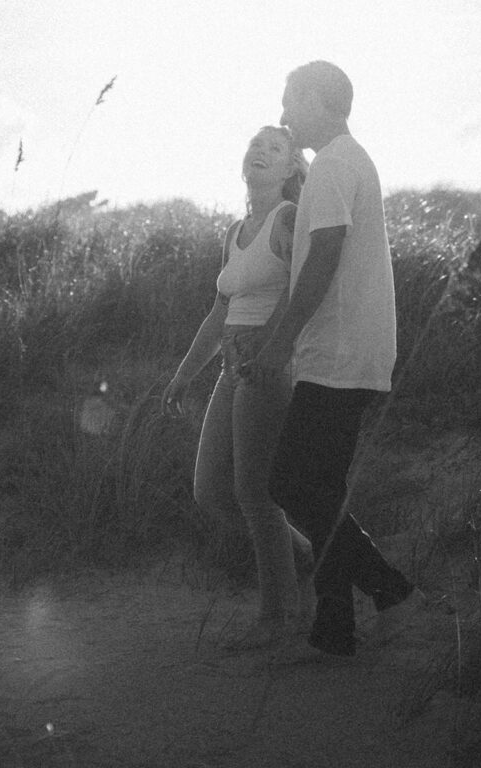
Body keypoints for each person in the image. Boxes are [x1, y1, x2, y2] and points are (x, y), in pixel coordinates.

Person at [242, 61, 421, 660]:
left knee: (290, 484)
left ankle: (392, 592)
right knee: (321, 490)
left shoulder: (333, 166)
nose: (284, 114)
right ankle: (334, 631)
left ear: (319, 100)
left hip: (339, 356)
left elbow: (323, 256)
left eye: (291, 101)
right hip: (351, 351)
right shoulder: (349, 160)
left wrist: (280, 342)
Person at [162, 126, 313, 647]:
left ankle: (278, 617)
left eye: (274, 148)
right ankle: (305, 557)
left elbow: (300, 290)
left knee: (253, 492)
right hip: (231, 361)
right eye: (255, 144)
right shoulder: (233, 232)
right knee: (210, 491)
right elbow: (218, 312)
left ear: (291, 168)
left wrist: (272, 348)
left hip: (267, 362)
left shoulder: (288, 218)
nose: (260, 152)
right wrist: (184, 374)